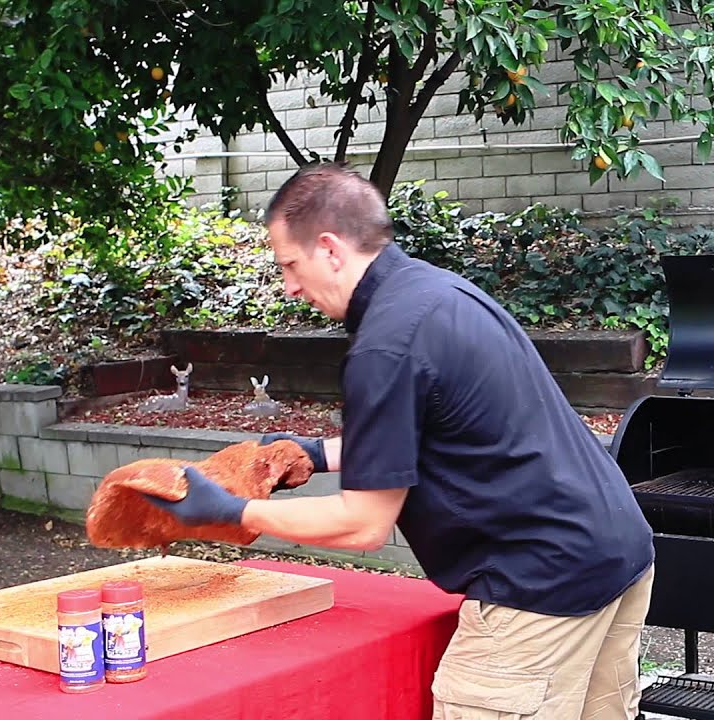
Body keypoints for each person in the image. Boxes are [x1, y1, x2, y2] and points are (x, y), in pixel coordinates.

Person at [145, 162, 657, 719]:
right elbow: (449, 430)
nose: (289, 285)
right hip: (615, 548)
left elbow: (363, 523)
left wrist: (231, 510)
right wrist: (315, 454)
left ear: (330, 249)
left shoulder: (385, 345)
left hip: (541, 582)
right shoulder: (441, 294)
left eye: (290, 264)